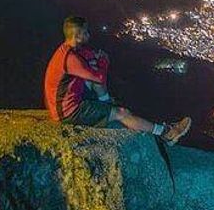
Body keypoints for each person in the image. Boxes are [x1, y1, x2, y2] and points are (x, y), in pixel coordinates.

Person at [44, 15, 191, 142]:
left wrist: (95, 58)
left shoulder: (69, 50)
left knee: (93, 68)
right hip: (69, 112)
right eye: (85, 32)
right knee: (122, 113)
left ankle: (105, 101)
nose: (88, 34)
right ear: (77, 36)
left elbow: (88, 61)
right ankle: (166, 133)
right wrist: (104, 63)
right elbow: (99, 78)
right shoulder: (70, 58)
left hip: (65, 103)